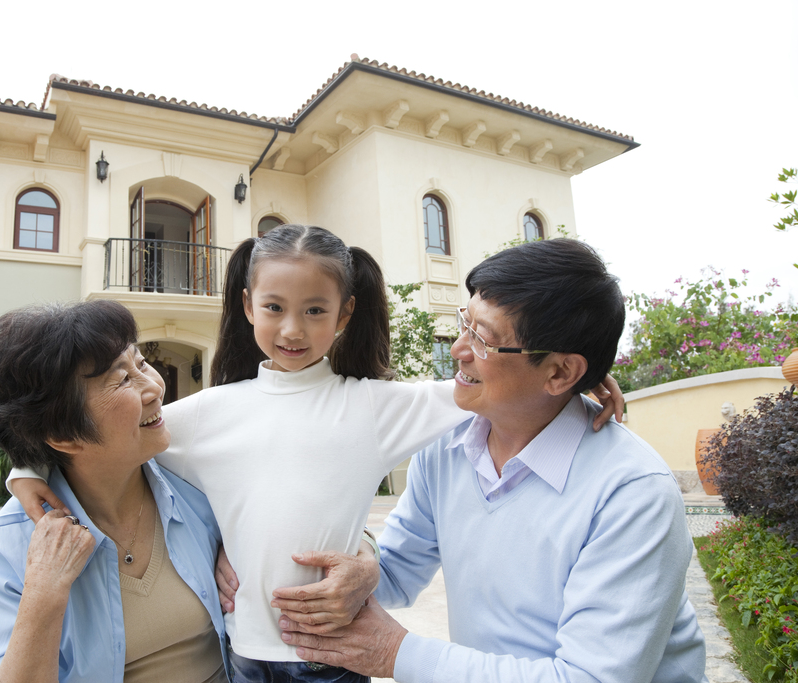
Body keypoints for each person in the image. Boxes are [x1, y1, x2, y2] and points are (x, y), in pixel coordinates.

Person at [9, 226, 624, 683]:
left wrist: (579, 382)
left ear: (345, 315)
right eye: (273, 308)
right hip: (243, 653)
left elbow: (497, 389)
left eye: (314, 311)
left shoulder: (376, 408)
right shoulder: (211, 412)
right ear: (248, 305)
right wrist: (28, 467)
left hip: (334, 653)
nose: (292, 330)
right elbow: (108, 437)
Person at [258, 238, 707, 682]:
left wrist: (395, 653)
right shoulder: (451, 440)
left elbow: (590, 678)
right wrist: (298, 563)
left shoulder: (632, 492)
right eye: (464, 323)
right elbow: (393, 569)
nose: (458, 349)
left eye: (483, 339)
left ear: (560, 372)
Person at [0, 300, 228, 683]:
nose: (155, 388)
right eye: (122, 380)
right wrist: (44, 592)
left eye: (140, 363)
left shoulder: (192, 481)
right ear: (62, 434)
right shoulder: (10, 546)